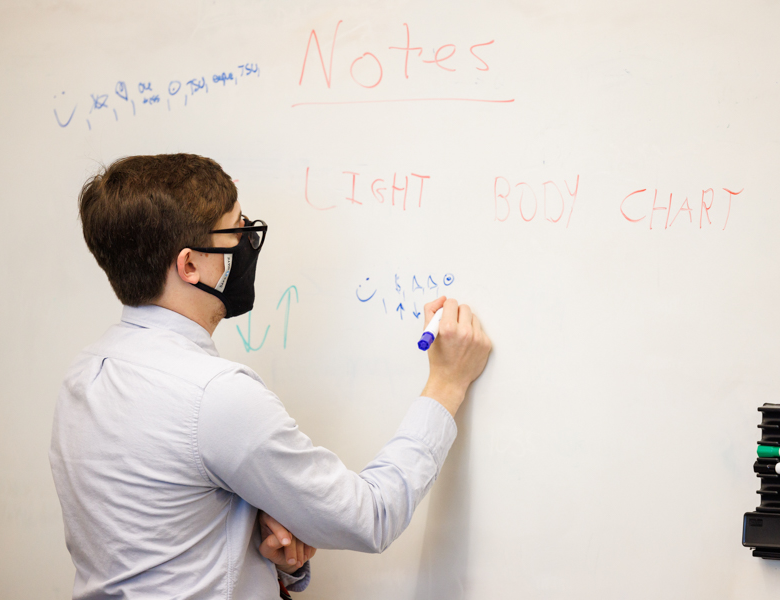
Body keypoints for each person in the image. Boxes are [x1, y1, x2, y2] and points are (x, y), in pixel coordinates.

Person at [49, 153, 492, 599]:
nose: (246, 241)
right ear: (189, 266)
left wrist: (265, 548)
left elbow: (165, 541)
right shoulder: (214, 396)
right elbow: (370, 517)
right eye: (235, 229)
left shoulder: (83, 377)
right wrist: (448, 383)